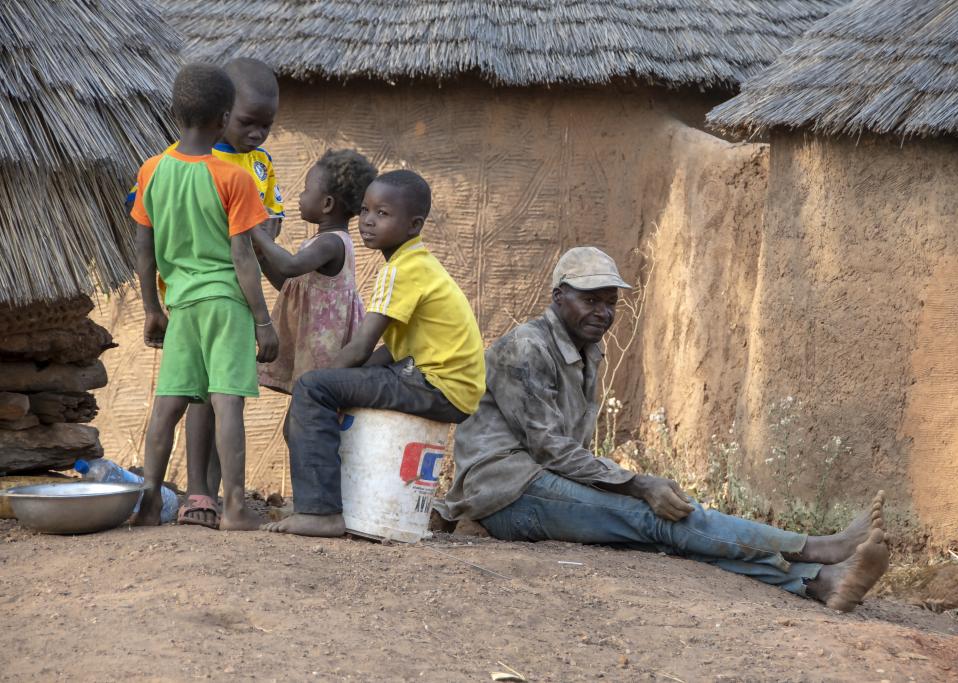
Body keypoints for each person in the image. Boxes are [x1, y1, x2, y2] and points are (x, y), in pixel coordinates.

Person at [444, 246, 889, 612]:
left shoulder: (586, 350)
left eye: (610, 302)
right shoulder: (525, 346)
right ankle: (813, 548)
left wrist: (633, 485)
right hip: (505, 490)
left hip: (542, 482)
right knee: (652, 516)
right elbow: (549, 448)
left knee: (667, 528)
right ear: (558, 296)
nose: (603, 312)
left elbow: (563, 456)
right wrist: (637, 484)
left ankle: (819, 582)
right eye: (590, 299)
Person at [263, 170, 486, 538]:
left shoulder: (401, 270)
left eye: (383, 214)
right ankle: (332, 502)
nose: (368, 221)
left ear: (414, 225)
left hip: (436, 384)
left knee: (313, 388)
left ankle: (319, 512)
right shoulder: (416, 264)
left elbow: (362, 347)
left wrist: (318, 384)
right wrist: (339, 379)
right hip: (442, 383)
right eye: (365, 210)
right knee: (327, 385)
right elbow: (391, 351)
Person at [127, 57, 285, 528]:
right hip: (226, 306)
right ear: (222, 119)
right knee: (225, 401)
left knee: (168, 405)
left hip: (180, 305)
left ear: (175, 115)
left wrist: (152, 309)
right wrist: (262, 320)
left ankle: (150, 502)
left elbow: (143, 249)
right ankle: (235, 507)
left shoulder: (151, 170)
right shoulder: (234, 177)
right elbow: (243, 258)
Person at [253, 149, 377, 395]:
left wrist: (257, 233)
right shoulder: (321, 241)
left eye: (306, 190)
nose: (300, 195)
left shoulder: (331, 243)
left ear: (327, 204)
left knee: (308, 408)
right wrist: (263, 258)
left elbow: (290, 266)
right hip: (310, 340)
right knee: (304, 409)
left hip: (324, 346)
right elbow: (292, 285)